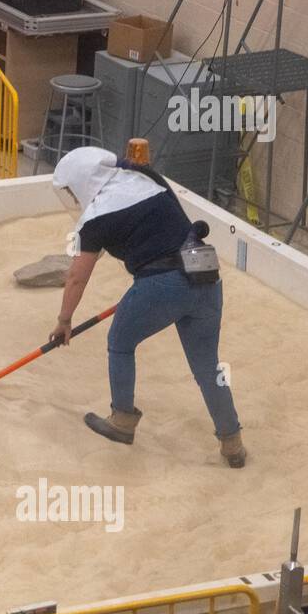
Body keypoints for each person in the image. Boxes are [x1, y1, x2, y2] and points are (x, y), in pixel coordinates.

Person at [49, 147, 248, 468]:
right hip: (206, 276)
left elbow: (76, 278)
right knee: (207, 367)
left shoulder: (97, 216)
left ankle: (122, 421)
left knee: (120, 343)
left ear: (81, 182)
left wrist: (64, 320)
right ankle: (232, 442)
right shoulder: (147, 182)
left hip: (162, 282)